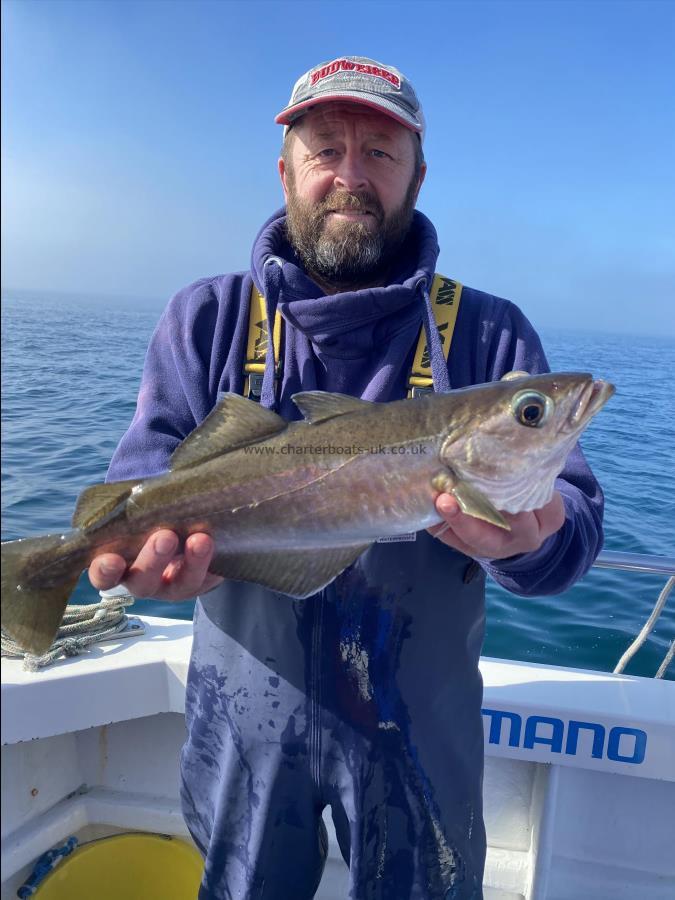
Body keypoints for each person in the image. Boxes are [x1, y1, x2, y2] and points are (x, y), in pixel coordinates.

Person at [90, 57, 605, 899]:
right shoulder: (208, 317)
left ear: (417, 176)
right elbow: (143, 484)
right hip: (241, 716)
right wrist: (150, 562)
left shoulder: (490, 337)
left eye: (380, 153)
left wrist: (534, 538)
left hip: (421, 728)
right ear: (286, 166)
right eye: (326, 148)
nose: (350, 176)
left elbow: (572, 532)